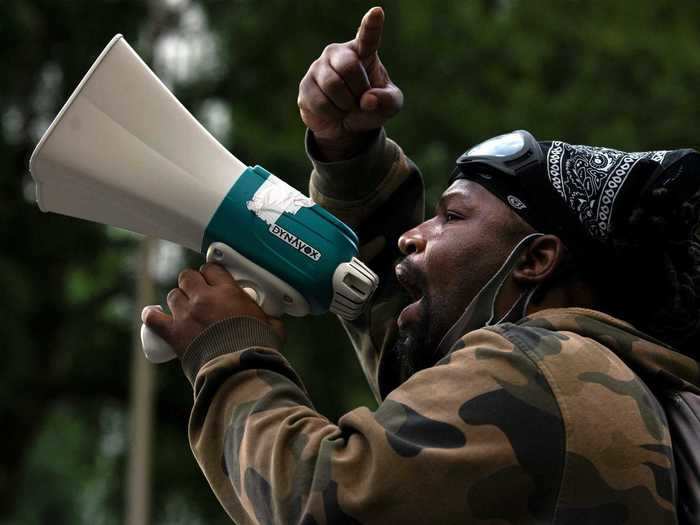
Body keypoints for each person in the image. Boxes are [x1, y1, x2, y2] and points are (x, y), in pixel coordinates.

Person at [143, 7, 700, 524]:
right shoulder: (614, 385)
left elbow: (327, 497)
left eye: (451, 218)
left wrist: (229, 352)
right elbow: (407, 348)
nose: (413, 236)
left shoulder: (539, 372)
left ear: (534, 260)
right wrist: (351, 155)